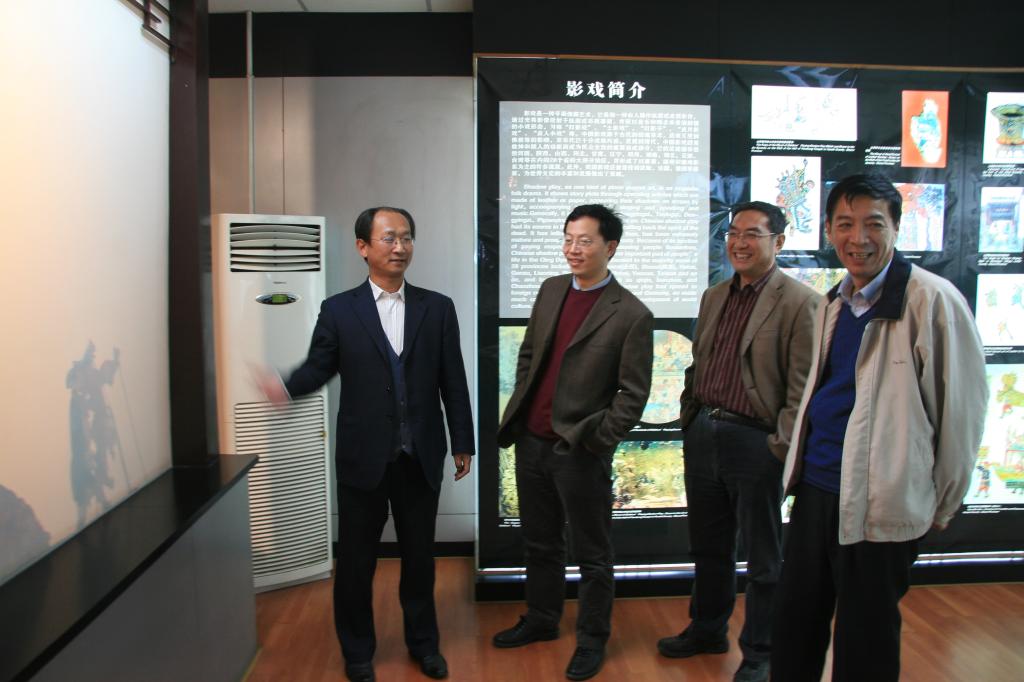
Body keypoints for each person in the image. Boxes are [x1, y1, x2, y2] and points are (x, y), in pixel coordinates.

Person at [771, 174, 988, 681]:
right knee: (795, 626)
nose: (859, 238)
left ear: (895, 227)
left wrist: (943, 501)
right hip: (817, 491)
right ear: (828, 229)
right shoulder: (835, 301)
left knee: (865, 641)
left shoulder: (931, 300)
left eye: (874, 224)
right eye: (845, 224)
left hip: (881, 500)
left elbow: (961, 412)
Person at [261, 207, 475, 682]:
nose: (400, 247)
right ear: (363, 247)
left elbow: (453, 379)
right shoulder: (340, 310)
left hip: (420, 455)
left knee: (420, 561)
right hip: (363, 458)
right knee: (356, 564)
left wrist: (463, 440)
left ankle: (424, 645)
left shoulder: (437, 308)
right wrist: (286, 387)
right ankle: (357, 653)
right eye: (389, 238)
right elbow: (320, 365)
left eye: (407, 238)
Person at [656, 201, 818, 682]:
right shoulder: (715, 295)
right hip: (705, 432)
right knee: (709, 547)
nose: (739, 243)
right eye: (733, 233)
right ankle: (708, 629)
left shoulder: (801, 302)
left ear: (778, 242)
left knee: (764, 558)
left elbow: (803, 388)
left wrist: (781, 449)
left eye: (752, 234)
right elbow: (700, 361)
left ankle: (762, 652)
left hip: (756, 442)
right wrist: (690, 417)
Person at [492, 204, 654, 681]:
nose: (573, 249)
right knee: (540, 542)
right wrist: (523, 413)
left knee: (592, 554)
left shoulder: (631, 314)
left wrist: (597, 439)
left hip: (579, 449)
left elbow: (633, 394)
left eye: (585, 240)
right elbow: (529, 355)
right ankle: (542, 619)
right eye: (568, 239)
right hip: (533, 441)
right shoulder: (551, 289)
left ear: (610, 247)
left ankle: (591, 639)